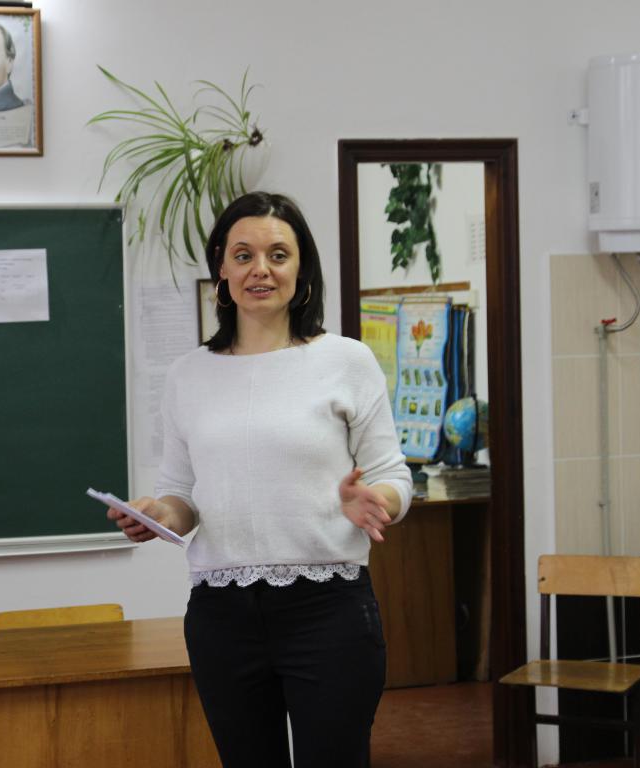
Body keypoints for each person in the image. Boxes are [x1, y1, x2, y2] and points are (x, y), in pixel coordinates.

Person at [107, 192, 412, 768]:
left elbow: (392, 474)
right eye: (243, 255)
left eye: (278, 254)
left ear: (302, 268)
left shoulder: (346, 360)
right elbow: (182, 495)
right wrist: (159, 515)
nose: (261, 270)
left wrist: (379, 500)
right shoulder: (188, 374)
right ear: (221, 268)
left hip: (328, 609)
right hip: (221, 615)